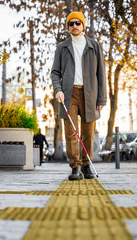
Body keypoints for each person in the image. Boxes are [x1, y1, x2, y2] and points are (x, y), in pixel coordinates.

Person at [51, 11, 107, 180]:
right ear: (68, 27)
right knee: (70, 132)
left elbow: (101, 74)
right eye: (71, 23)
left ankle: (87, 165)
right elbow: (55, 72)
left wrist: (102, 99)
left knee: (88, 133)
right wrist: (58, 89)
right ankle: (75, 167)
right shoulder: (62, 47)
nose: (74, 26)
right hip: (69, 94)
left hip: (90, 94)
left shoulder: (94, 46)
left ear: (83, 25)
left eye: (77, 23)